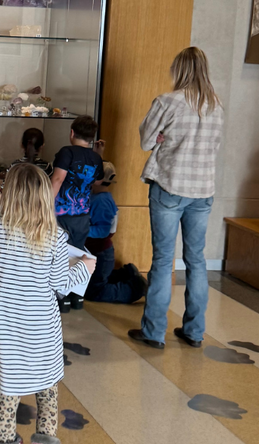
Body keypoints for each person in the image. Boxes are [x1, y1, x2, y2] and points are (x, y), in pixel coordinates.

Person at [0, 163, 95, 444]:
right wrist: (83, 269)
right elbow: (60, 286)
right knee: (47, 396)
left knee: (8, 398)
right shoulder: (56, 237)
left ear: (8, 195)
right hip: (42, 332)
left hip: (7, 331)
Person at [129, 46, 224, 350]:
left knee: (163, 259)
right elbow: (214, 147)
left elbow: (146, 140)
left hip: (170, 187)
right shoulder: (215, 105)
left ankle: (154, 332)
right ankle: (194, 331)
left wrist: (161, 138)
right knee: (196, 259)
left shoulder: (167, 102)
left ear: (178, 70)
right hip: (203, 191)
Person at [50, 114, 104, 312]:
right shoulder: (96, 158)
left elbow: (57, 180)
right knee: (77, 252)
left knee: (58, 254)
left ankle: (60, 298)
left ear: (72, 133)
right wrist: (99, 153)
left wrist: (45, 205)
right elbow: (97, 181)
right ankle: (76, 297)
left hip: (61, 211)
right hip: (82, 213)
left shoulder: (67, 152)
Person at [84, 162, 146, 304]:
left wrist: (82, 230)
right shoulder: (99, 196)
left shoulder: (101, 201)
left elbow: (103, 230)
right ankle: (125, 274)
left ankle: (134, 289)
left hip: (100, 253)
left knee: (96, 291)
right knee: (97, 280)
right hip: (98, 252)